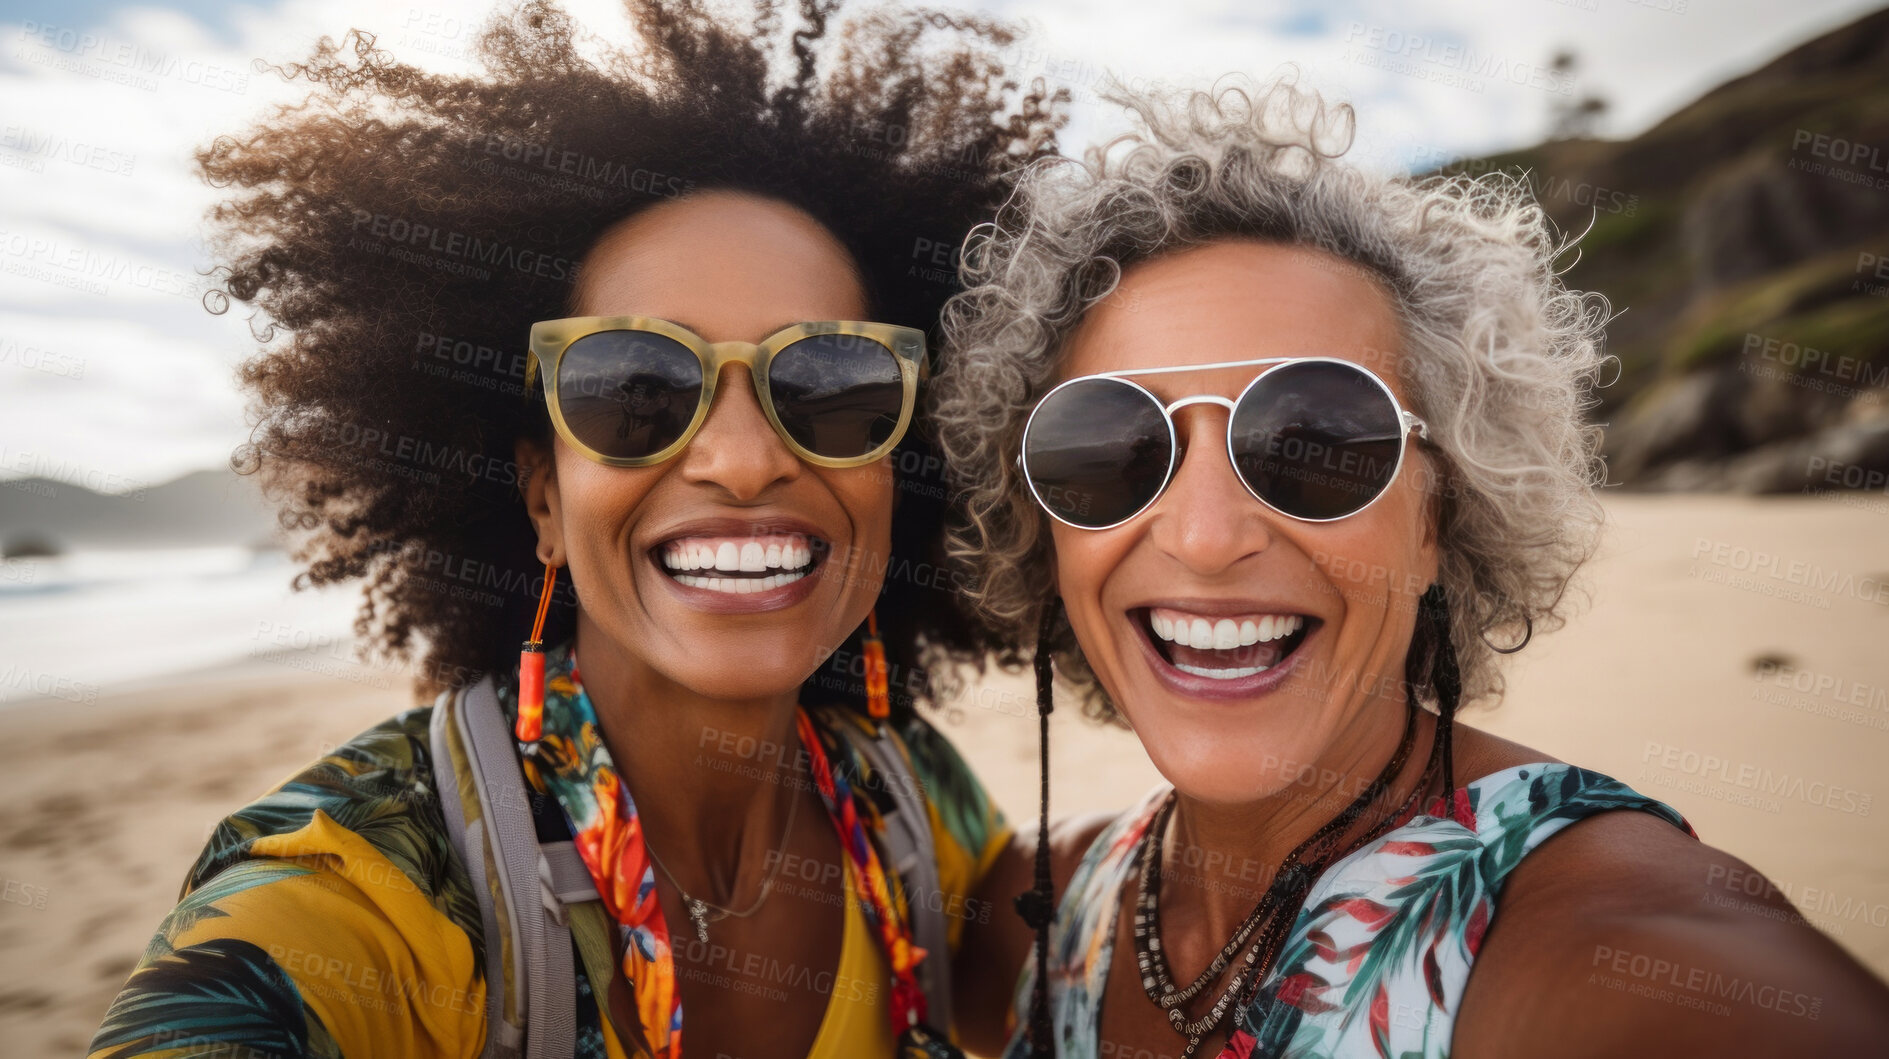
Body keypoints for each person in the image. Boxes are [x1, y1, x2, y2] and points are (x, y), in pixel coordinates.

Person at [86, 2, 1061, 1057]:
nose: (741, 460)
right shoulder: (366, 889)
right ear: (542, 497)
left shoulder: (902, 797)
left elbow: (1114, 937)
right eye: (635, 385)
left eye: (830, 384)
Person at [933, 77, 1889, 1058]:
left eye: (1312, 440)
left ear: (1440, 511)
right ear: (1041, 525)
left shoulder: (1615, 947)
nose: (1204, 535)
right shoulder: (1053, 911)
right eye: (1107, 446)